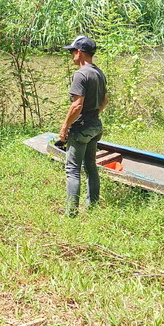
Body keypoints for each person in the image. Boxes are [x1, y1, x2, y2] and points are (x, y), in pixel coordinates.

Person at [59, 35, 108, 216]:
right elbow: (104, 100)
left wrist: (64, 127)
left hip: (81, 128)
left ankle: (71, 214)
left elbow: (77, 105)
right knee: (90, 166)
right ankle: (92, 207)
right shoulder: (98, 72)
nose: (72, 55)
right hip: (96, 125)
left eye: (72, 52)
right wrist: (93, 115)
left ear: (79, 52)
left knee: (72, 170)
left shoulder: (80, 74)